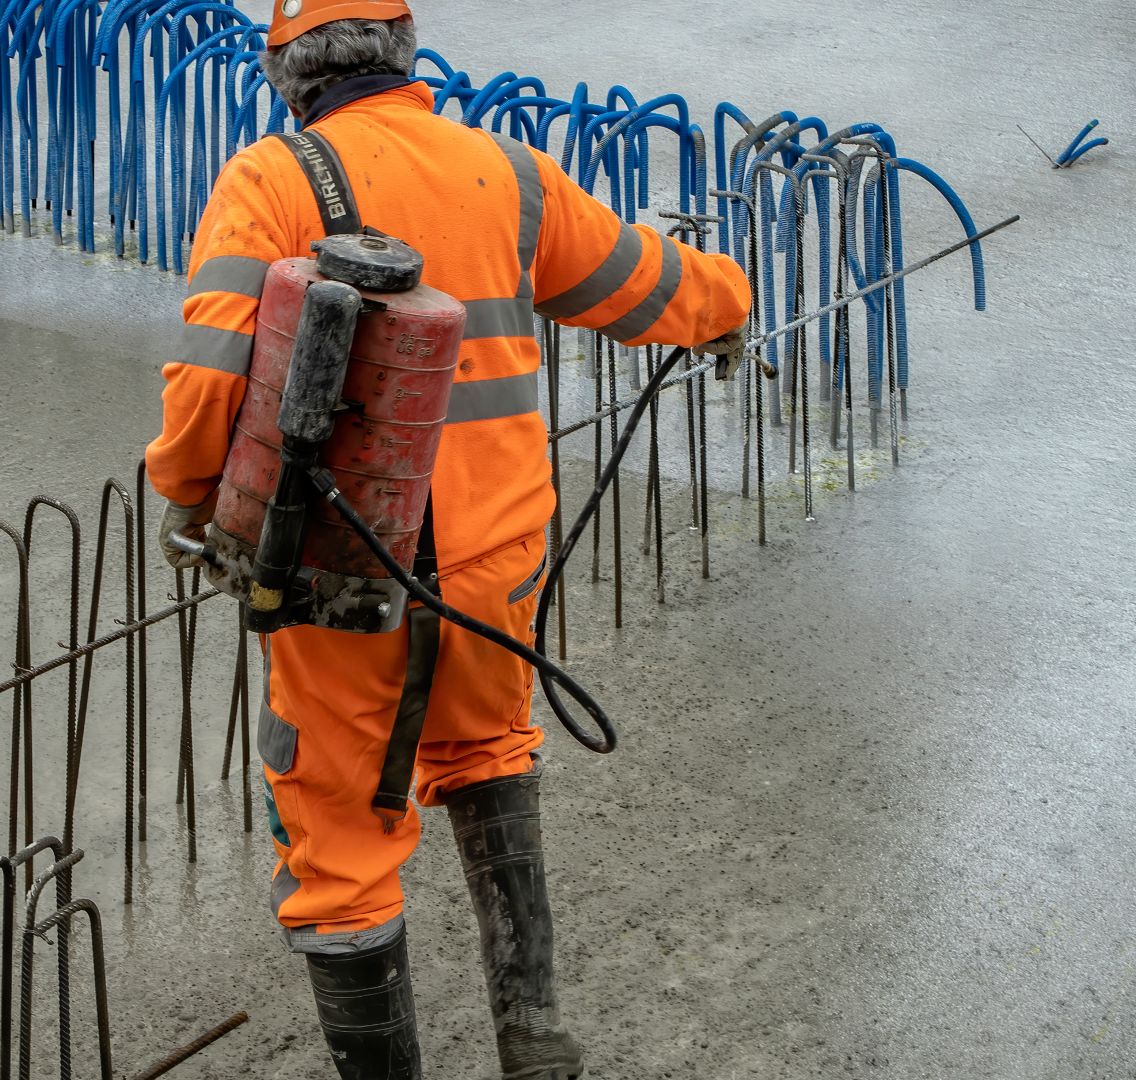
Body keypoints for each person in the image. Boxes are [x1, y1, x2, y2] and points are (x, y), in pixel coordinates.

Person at [145, 2, 752, 1076]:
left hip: (342, 575)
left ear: (287, 66)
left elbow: (205, 380)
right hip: (496, 570)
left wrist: (193, 501)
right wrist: (727, 295)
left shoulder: (272, 180)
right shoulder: (507, 174)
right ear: (404, 54)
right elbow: (639, 282)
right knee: (483, 752)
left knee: (340, 848)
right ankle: (535, 1042)